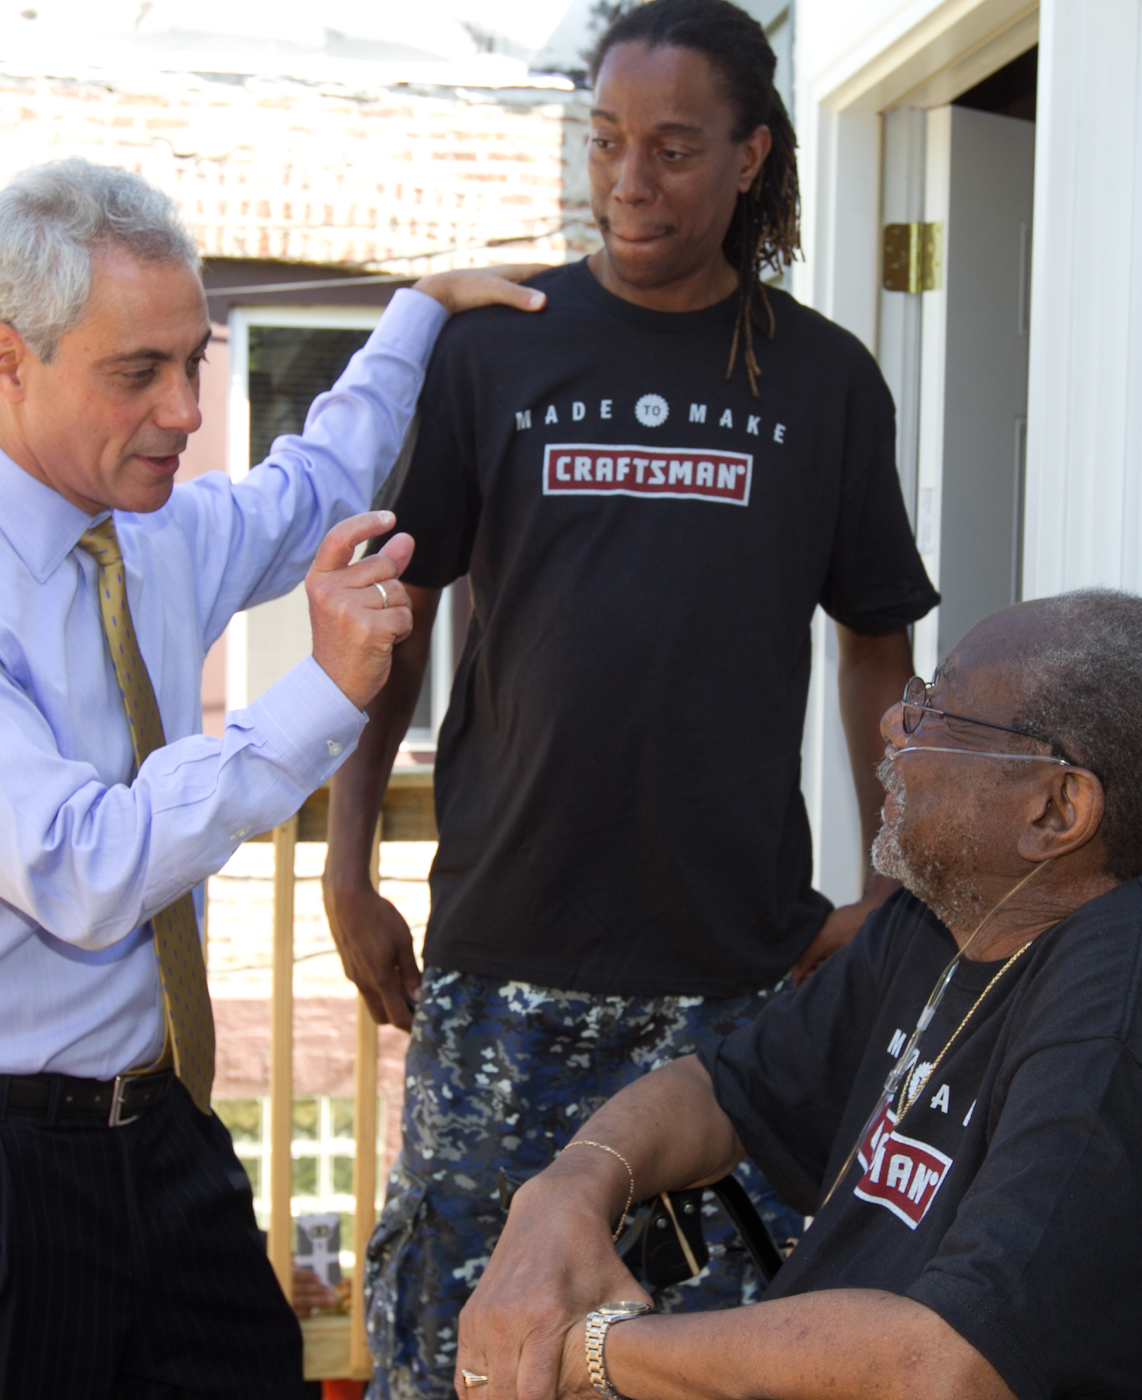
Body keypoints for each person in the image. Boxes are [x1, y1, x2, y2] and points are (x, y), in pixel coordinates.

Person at [0, 157, 542, 1400]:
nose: (188, 408)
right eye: (139, 372)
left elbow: (317, 478)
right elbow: (83, 867)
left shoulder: (159, 532)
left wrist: (416, 312)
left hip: (159, 1147)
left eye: (192, 359)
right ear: (3, 360)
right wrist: (324, 692)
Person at [321, 2, 940, 1391]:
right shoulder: (498, 352)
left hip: (728, 991)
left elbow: (877, 646)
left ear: (750, 159)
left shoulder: (824, 379)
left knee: (704, 1362)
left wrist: (895, 884)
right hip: (499, 970)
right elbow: (392, 626)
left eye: (672, 148)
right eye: (607, 143)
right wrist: (347, 867)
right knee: (456, 1349)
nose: (631, 182)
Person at [459, 591, 1142, 1400]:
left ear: (1056, 810)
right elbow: (722, 1091)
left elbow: (947, 1368)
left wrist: (593, 1353)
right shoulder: (946, 920)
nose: (890, 724)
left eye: (936, 711)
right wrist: (568, 1191)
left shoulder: (1132, 1004)